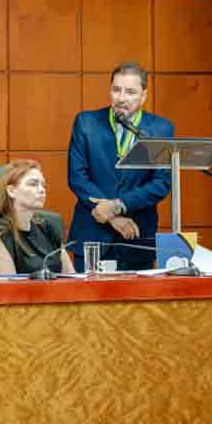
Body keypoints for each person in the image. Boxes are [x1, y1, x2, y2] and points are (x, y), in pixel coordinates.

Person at [67, 62, 174, 271]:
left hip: (136, 236)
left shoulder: (160, 128)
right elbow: (77, 177)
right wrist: (113, 217)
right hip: (93, 235)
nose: (121, 98)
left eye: (130, 92)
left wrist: (119, 205)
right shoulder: (86, 122)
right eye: (116, 90)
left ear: (143, 96)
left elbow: (161, 183)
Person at [0, 160, 75, 275]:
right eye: (33, 184)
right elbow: (7, 288)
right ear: (11, 191)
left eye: (43, 185)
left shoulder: (50, 225)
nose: (42, 190)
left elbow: (70, 277)